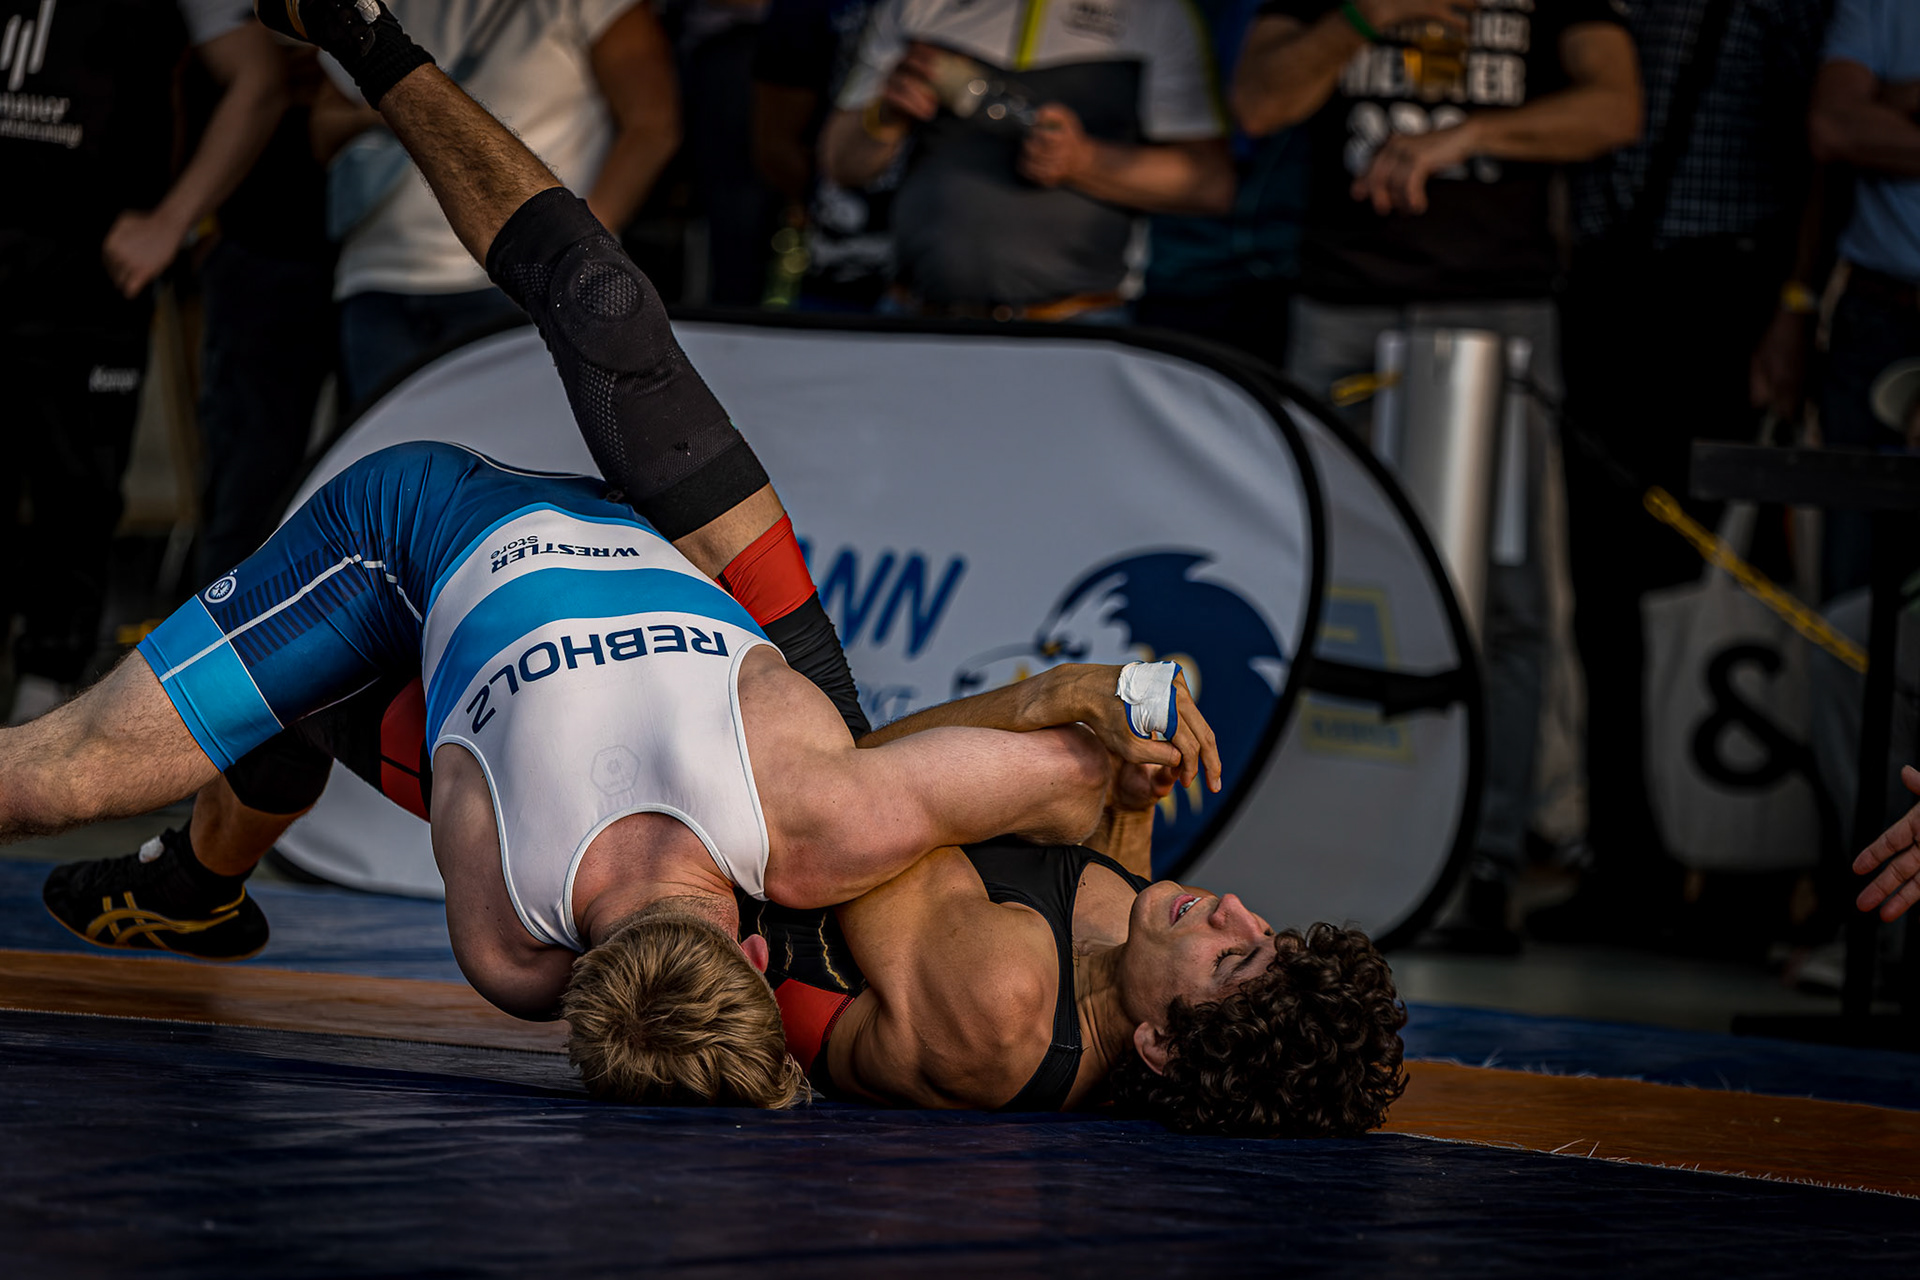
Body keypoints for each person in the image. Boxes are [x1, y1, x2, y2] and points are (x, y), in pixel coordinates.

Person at [12, 0, 1215, 1108]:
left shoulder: (518, 941)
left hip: (414, 535)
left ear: (751, 957)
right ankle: (363, 33)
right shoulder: (794, 836)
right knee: (600, 304)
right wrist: (1101, 724)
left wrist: (1127, 696)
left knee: (90, 767)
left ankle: (193, 873)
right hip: (699, 574)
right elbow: (1066, 765)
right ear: (762, 952)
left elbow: (1079, 751)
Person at [1233, 0, 1641, 952]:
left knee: (1509, 603)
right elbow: (1257, 103)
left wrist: (1469, 136)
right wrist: (1364, 16)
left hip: (1499, 308)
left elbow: (1616, 108)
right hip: (1343, 305)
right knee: (1323, 588)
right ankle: (1328, 847)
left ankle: (1484, 861)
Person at [756, 662, 1408, 1135]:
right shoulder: (1144, 968)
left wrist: (1059, 693)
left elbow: (847, 800)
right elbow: (1109, 893)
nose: (1231, 907)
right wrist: (1130, 806)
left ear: (1161, 1046)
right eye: (1263, 932)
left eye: (1230, 957)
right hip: (794, 764)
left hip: (740, 838)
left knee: (1069, 777)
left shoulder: (1001, 1006)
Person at [1536, 0, 1825, 942]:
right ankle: (1631, 868)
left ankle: (1747, 876)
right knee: (1607, 597)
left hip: (1726, 297)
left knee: (1727, 582)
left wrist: (1794, 305)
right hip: (1606, 292)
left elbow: (1821, 154)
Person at [1, 0, 286, 724]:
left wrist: (171, 222)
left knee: (76, 493)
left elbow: (259, 80)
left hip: (87, 280)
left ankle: (43, 710)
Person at [310, 0, 681, 408]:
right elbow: (323, 130)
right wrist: (394, 106)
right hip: (380, 278)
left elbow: (652, 123)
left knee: (521, 439)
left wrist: (577, 255)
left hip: (521, 285)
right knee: (394, 445)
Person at [817, 0, 1235, 321]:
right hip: (917, 313)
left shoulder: (1157, 12)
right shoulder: (913, 6)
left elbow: (1210, 184)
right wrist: (887, 117)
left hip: (1076, 323)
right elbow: (839, 164)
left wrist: (1083, 161)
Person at [1809, 0, 1920, 601]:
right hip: (1878, 314)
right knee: (1853, 584)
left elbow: (1856, 123)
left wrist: (1895, 103)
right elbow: (1833, 127)